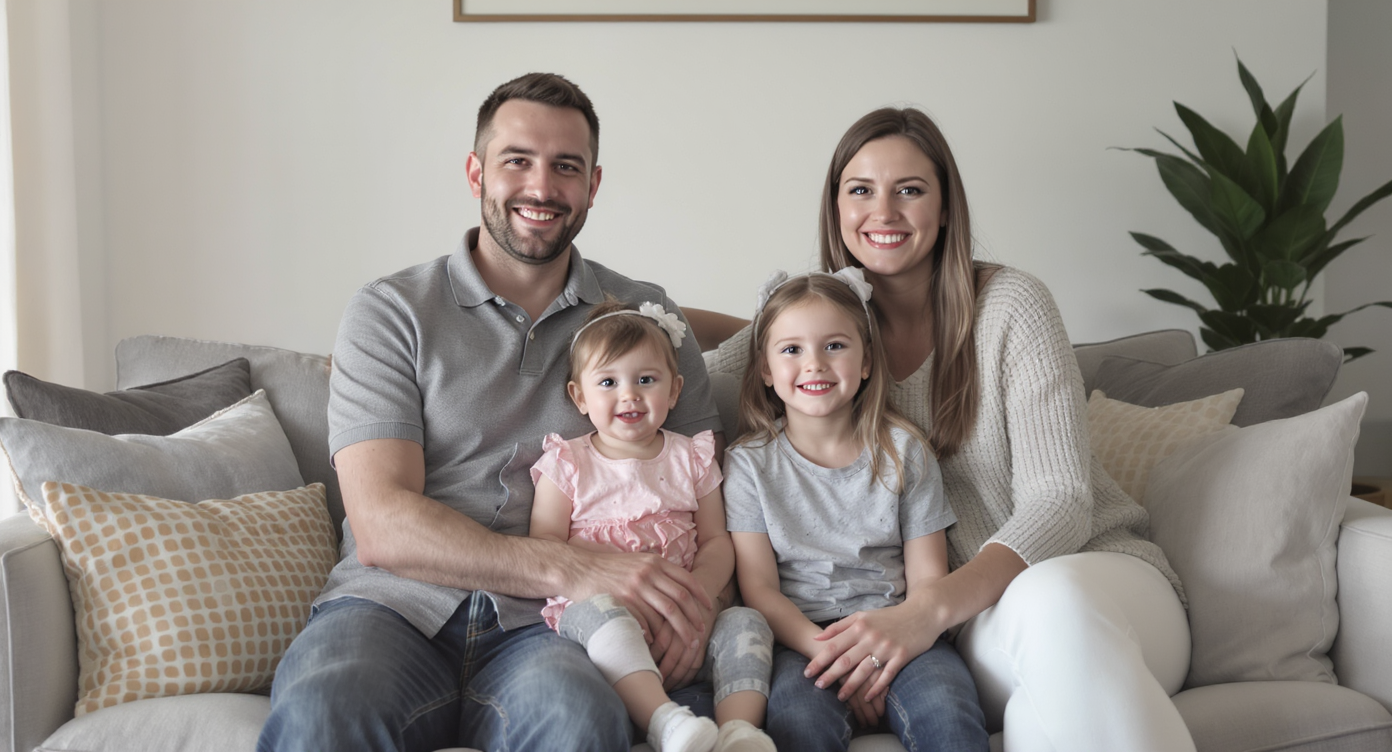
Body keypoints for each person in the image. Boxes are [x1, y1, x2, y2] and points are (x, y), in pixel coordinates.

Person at [258, 73, 729, 752]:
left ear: (593, 185)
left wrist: (694, 607)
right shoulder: (391, 311)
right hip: (392, 605)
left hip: (553, 626)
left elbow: (702, 488)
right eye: (517, 161)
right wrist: (574, 566)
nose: (542, 187)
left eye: (566, 167)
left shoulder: (643, 318)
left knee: (579, 724)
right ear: (477, 171)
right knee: (320, 714)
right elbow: (384, 523)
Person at [700, 108, 1195, 751]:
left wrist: (922, 615)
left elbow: (1062, 502)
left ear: (944, 205)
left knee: (1051, 599)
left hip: (1099, 581)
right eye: (861, 190)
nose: (884, 211)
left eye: (909, 189)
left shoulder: (1013, 306)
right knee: (1029, 714)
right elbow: (692, 370)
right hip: (974, 628)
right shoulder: (825, 330)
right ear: (836, 208)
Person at [723, 269, 989, 751]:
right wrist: (839, 656)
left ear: (866, 361)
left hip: (902, 628)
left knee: (949, 712)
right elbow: (759, 589)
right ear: (765, 369)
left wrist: (887, 646)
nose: (815, 365)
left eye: (835, 346)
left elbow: (929, 579)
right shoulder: (748, 465)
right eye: (791, 350)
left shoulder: (905, 451)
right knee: (796, 724)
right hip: (804, 641)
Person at [529, 300, 776, 752]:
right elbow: (545, 545)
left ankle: (738, 731)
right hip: (606, 608)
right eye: (608, 382)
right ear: (579, 397)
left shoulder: (692, 457)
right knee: (604, 620)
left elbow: (717, 540)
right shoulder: (566, 463)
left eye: (646, 379)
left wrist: (697, 596)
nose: (629, 394)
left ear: (676, 390)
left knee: (747, 622)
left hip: (689, 612)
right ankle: (664, 721)